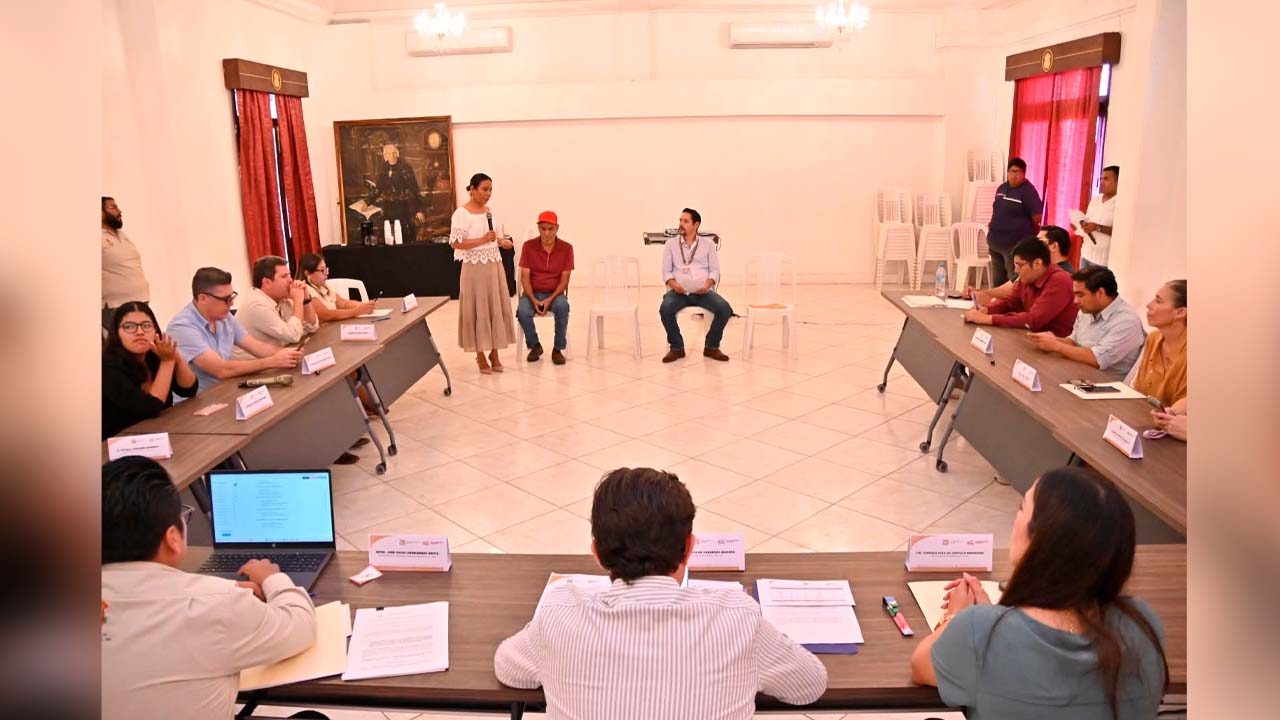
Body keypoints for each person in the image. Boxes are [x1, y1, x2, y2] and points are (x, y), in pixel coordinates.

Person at [494, 467, 827, 718]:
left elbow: (508, 668)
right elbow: (810, 685)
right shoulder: (737, 616)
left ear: (597, 552)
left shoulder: (560, 612)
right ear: (689, 548)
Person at [910, 466, 1168, 719]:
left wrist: (957, 616)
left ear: (1040, 540)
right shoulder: (1143, 625)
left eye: (1021, 507)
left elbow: (920, 666)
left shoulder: (979, 632)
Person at [101, 456, 317, 720]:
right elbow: (301, 626)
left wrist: (222, 590)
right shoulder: (216, 604)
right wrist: (272, 578)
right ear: (172, 538)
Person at [166, 267, 302, 392]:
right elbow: (221, 369)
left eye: (232, 296)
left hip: (226, 388)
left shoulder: (224, 316)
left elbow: (256, 346)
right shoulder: (182, 327)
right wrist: (271, 361)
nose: (231, 303)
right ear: (203, 299)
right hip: (198, 400)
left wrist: (287, 354)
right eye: (226, 299)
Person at [1028, 267, 1146, 379]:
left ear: (1100, 293)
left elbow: (1097, 359)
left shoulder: (1126, 322)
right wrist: (1052, 340)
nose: (1075, 301)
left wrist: (1056, 345)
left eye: (1080, 295)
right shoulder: (1087, 310)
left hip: (1104, 386)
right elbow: (1074, 342)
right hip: (1077, 374)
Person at [102, 302, 199, 439]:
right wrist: (167, 361)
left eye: (146, 325)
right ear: (116, 333)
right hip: (119, 443)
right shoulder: (106, 366)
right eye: (129, 326)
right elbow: (150, 408)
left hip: (159, 433)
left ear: (156, 331)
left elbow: (189, 389)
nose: (140, 332)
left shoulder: (154, 357)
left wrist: (174, 354)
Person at [451, 172, 516, 374]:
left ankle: (494, 353)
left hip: (493, 265)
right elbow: (456, 243)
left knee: (495, 307)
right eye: (484, 189)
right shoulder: (461, 214)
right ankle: (479, 354)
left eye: (490, 190)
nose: (488, 194)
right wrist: (483, 240)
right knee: (477, 308)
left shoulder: (489, 212)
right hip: (474, 269)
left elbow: (493, 237)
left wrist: (502, 242)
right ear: (472, 189)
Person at [659, 208, 735, 362]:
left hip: (703, 292)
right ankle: (677, 348)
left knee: (724, 309)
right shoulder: (671, 244)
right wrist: (674, 285)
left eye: (685, 221)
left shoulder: (708, 245)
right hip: (679, 291)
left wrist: (707, 285)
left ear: (696, 224)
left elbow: (714, 270)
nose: (681, 224)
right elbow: (666, 272)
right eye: (680, 220)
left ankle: (711, 347)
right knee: (665, 309)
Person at [963, 236, 1077, 337]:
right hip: (1030, 336)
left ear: (1037, 263)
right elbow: (1010, 302)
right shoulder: (1028, 277)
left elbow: (1033, 320)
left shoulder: (1060, 281)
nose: (1016, 271)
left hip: (1055, 344)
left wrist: (988, 319)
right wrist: (987, 309)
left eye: (1020, 265)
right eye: (1015, 265)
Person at [232, 255, 320, 359]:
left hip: (277, 358)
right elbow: (294, 335)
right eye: (284, 276)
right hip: (252, 366)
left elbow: (312, 327)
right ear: (267, 283)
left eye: (289, 275)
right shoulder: (257, 305)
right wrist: (298, 300)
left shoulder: (282, 299)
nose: (291, 280)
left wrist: (306, 300)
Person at [516, 210, 573, 364]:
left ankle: (558, 349)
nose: (546, 233)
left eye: (550, 229)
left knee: (562, 306)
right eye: (543, 229)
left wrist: (550, 299)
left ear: (557, 228)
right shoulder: (528, 246)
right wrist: (533, 299)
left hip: (555, 293)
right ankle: (535, 346)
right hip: (532, 293)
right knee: (522, 311)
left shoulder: (567, 248)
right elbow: (524, 277)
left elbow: (564, 281)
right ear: (538, 228)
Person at [967, 226, 1074, 306]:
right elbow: (1006, 291)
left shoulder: (1064, 276)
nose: (1034, 246)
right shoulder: (1034, 268)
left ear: (1054, 246)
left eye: (1039, 242)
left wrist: (990, 308)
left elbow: (1034, 312)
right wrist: (977, 294)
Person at [1125, 279, 1187, 407]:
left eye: (1158, 301)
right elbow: (1140, 390)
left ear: (1180, 312)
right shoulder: (1154, 338)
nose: (1149, 305)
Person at [987, 158, 1044, 287]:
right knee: (998, 280)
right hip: (995, 243)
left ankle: (1014, 299)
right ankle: (996, 298)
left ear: (1024, 173)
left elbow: (1038, 217)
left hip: (1014, 246)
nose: (1014, 175)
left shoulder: (1028, 191)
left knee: (1014, 280)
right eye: (1012, 171)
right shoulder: (1001, 188)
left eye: (1018, 172)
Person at [102, 196, 151, 330]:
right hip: (115, 306)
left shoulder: (123, 235)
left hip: (141, 301)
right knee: (120, 343)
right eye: (113, 207)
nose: (119, 211)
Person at [297, 253, 377, 321]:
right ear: (308, 273)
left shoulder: (323, 286)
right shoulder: (305, 291)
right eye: (322, 270)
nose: (326, 273)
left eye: (326, 269)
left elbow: (343, 304)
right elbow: (327, 315)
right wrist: (357, 311)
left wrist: (364, 305)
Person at [373, 142, 420, 243]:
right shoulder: (384, 168)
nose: (391, 156)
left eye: (393, 153)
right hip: (388, 207)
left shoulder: (405, 168)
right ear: (385, 156)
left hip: (402, 207)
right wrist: (367, 202)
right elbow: (378, 188)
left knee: (404, 235)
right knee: (389, 235)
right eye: (388, 153)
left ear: (397, 153)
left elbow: (414, 189)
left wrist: (418, 210)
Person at [1079, 165, 1119, 269]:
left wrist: (1097, 227)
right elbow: (1088, 221)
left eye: (1106, 179)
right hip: (1086, 254)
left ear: (1117, 182)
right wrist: (1082, 224)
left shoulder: (1120, 203)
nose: (1101, 182)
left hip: (1103, 261)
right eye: (1101, 179)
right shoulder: (1095, 200)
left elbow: (1120, 232)